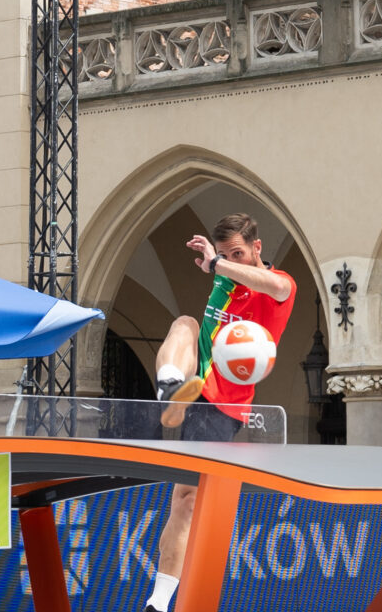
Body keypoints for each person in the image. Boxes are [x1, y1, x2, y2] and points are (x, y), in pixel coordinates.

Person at [143, 212, 296, 612]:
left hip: (223, 407)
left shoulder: (279, 287)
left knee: (185, 502)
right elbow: (223, 270)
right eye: (226, 255)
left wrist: (217, 263)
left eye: (238, 254)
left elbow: (275, 284)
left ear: (257, 248)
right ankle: (169, 389)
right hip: (191, 385)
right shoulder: (224, 277)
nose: (231, 262)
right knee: (185, 323)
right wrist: (218, 262)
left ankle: (158, 603)